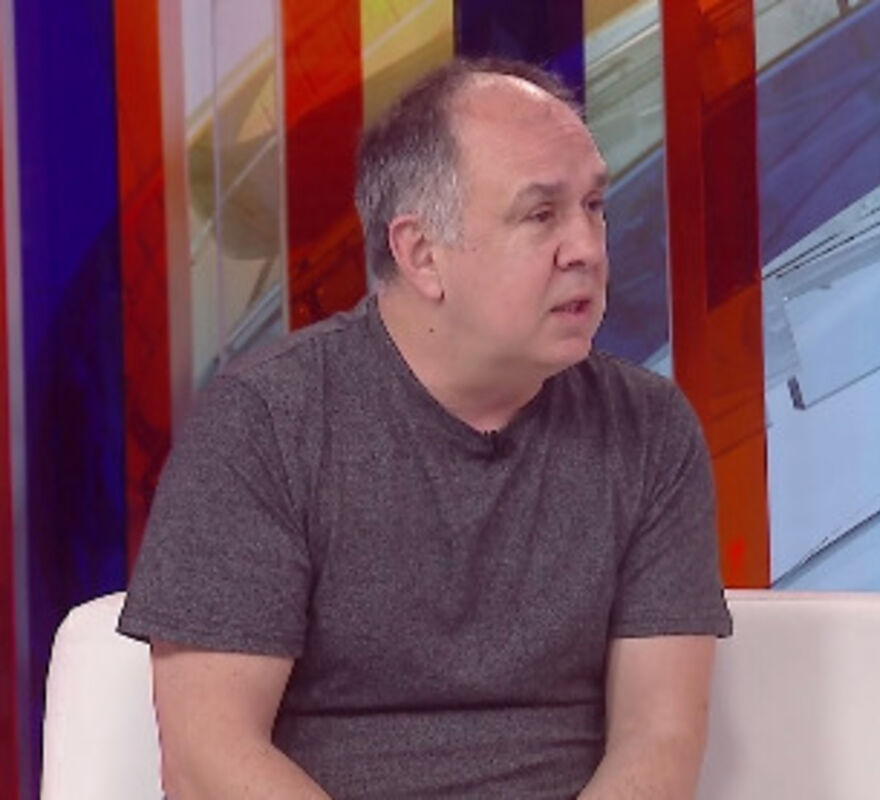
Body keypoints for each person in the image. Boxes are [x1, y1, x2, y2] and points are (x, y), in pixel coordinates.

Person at [119, 56, 731, 799]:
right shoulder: (263, 426)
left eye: (594, 205)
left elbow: (660, 737)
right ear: (420, 254)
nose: (588, 248)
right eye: (541, 214)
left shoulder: (649, 431)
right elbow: (206, 756)